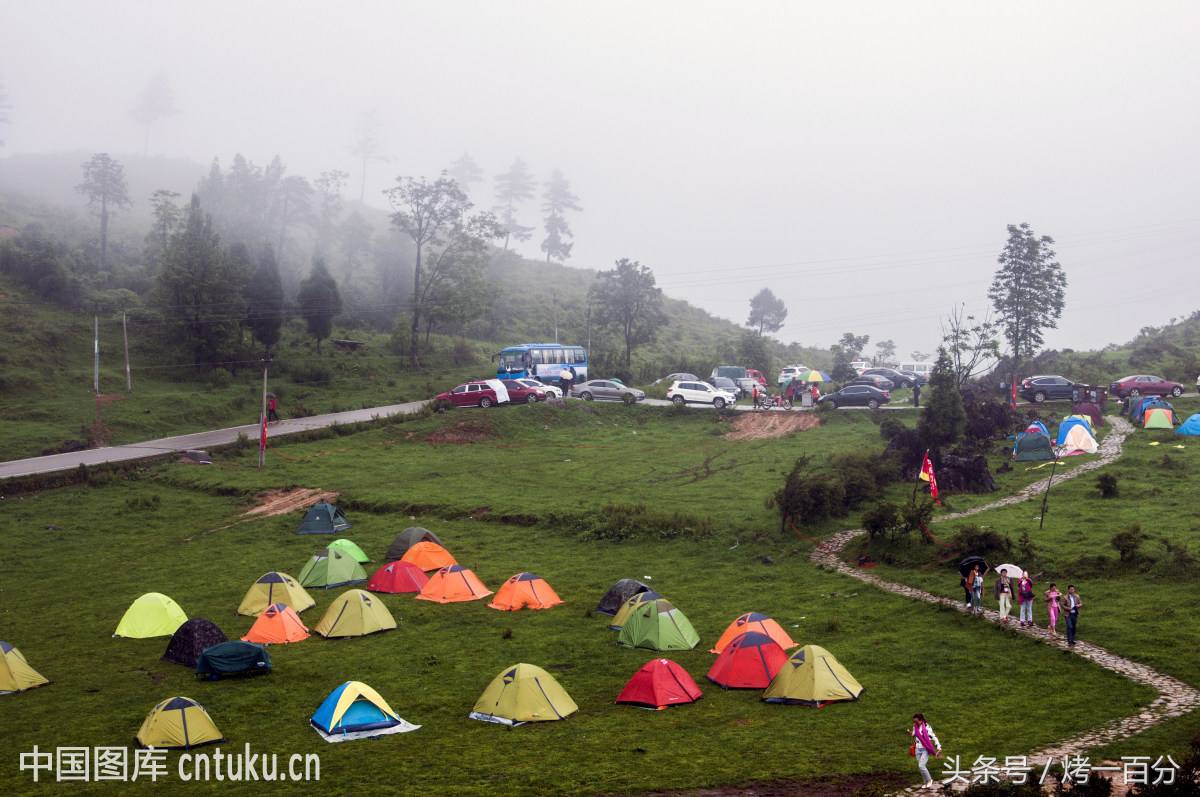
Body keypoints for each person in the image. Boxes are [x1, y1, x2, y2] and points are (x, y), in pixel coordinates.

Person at [910, 713, 942, 788]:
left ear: (921, 720)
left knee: (921, 766)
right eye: (914, 721)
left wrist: (939, 746)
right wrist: (911, 733)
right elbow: (914, 734)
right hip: (917, 749)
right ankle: (925, 782)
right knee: (920, 767)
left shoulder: (927, 727)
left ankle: (930, 780)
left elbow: (934, 737)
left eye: (916, 721)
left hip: (925, 749)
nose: (915, 723)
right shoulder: (915, 726)